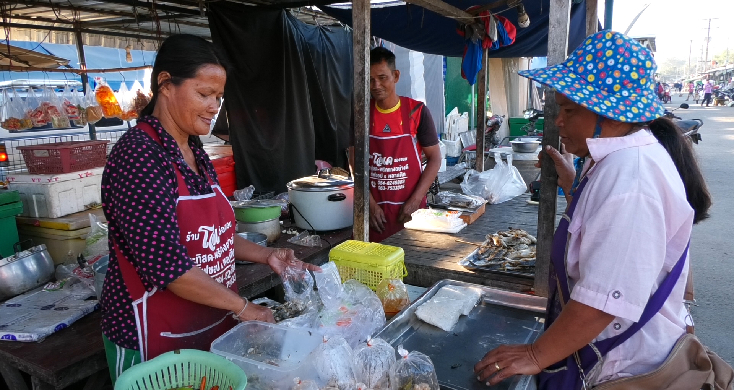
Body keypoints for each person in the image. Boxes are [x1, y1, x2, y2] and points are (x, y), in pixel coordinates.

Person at [474, 31, 713, 388]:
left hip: (625, 366)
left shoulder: (631, 179)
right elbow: (607, 232)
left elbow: (604, 301)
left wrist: (535, 355)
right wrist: (574, 185)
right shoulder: (614, 158)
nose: (558, 121)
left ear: (614, 116)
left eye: (570, 110)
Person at [100, 34, 320, 383]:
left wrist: (266, 256)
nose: (214, 105)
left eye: (218, 97)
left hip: (210, 323)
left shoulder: (194, 150)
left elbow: (216, 236)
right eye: (203, 94)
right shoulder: (138, 157)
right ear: (165, 84)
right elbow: (169, 268)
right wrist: (247, 308)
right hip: (154, 340)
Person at [362, 47, 442, 242]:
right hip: (375, 215)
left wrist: (415, 200)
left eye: (382, 78)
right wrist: (369, 204)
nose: (376, 85)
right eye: (371, 79)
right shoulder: (361, 113)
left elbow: (435, 159)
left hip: (411, 213)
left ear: (396, 76)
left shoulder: (417, 112)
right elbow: (355, 162)